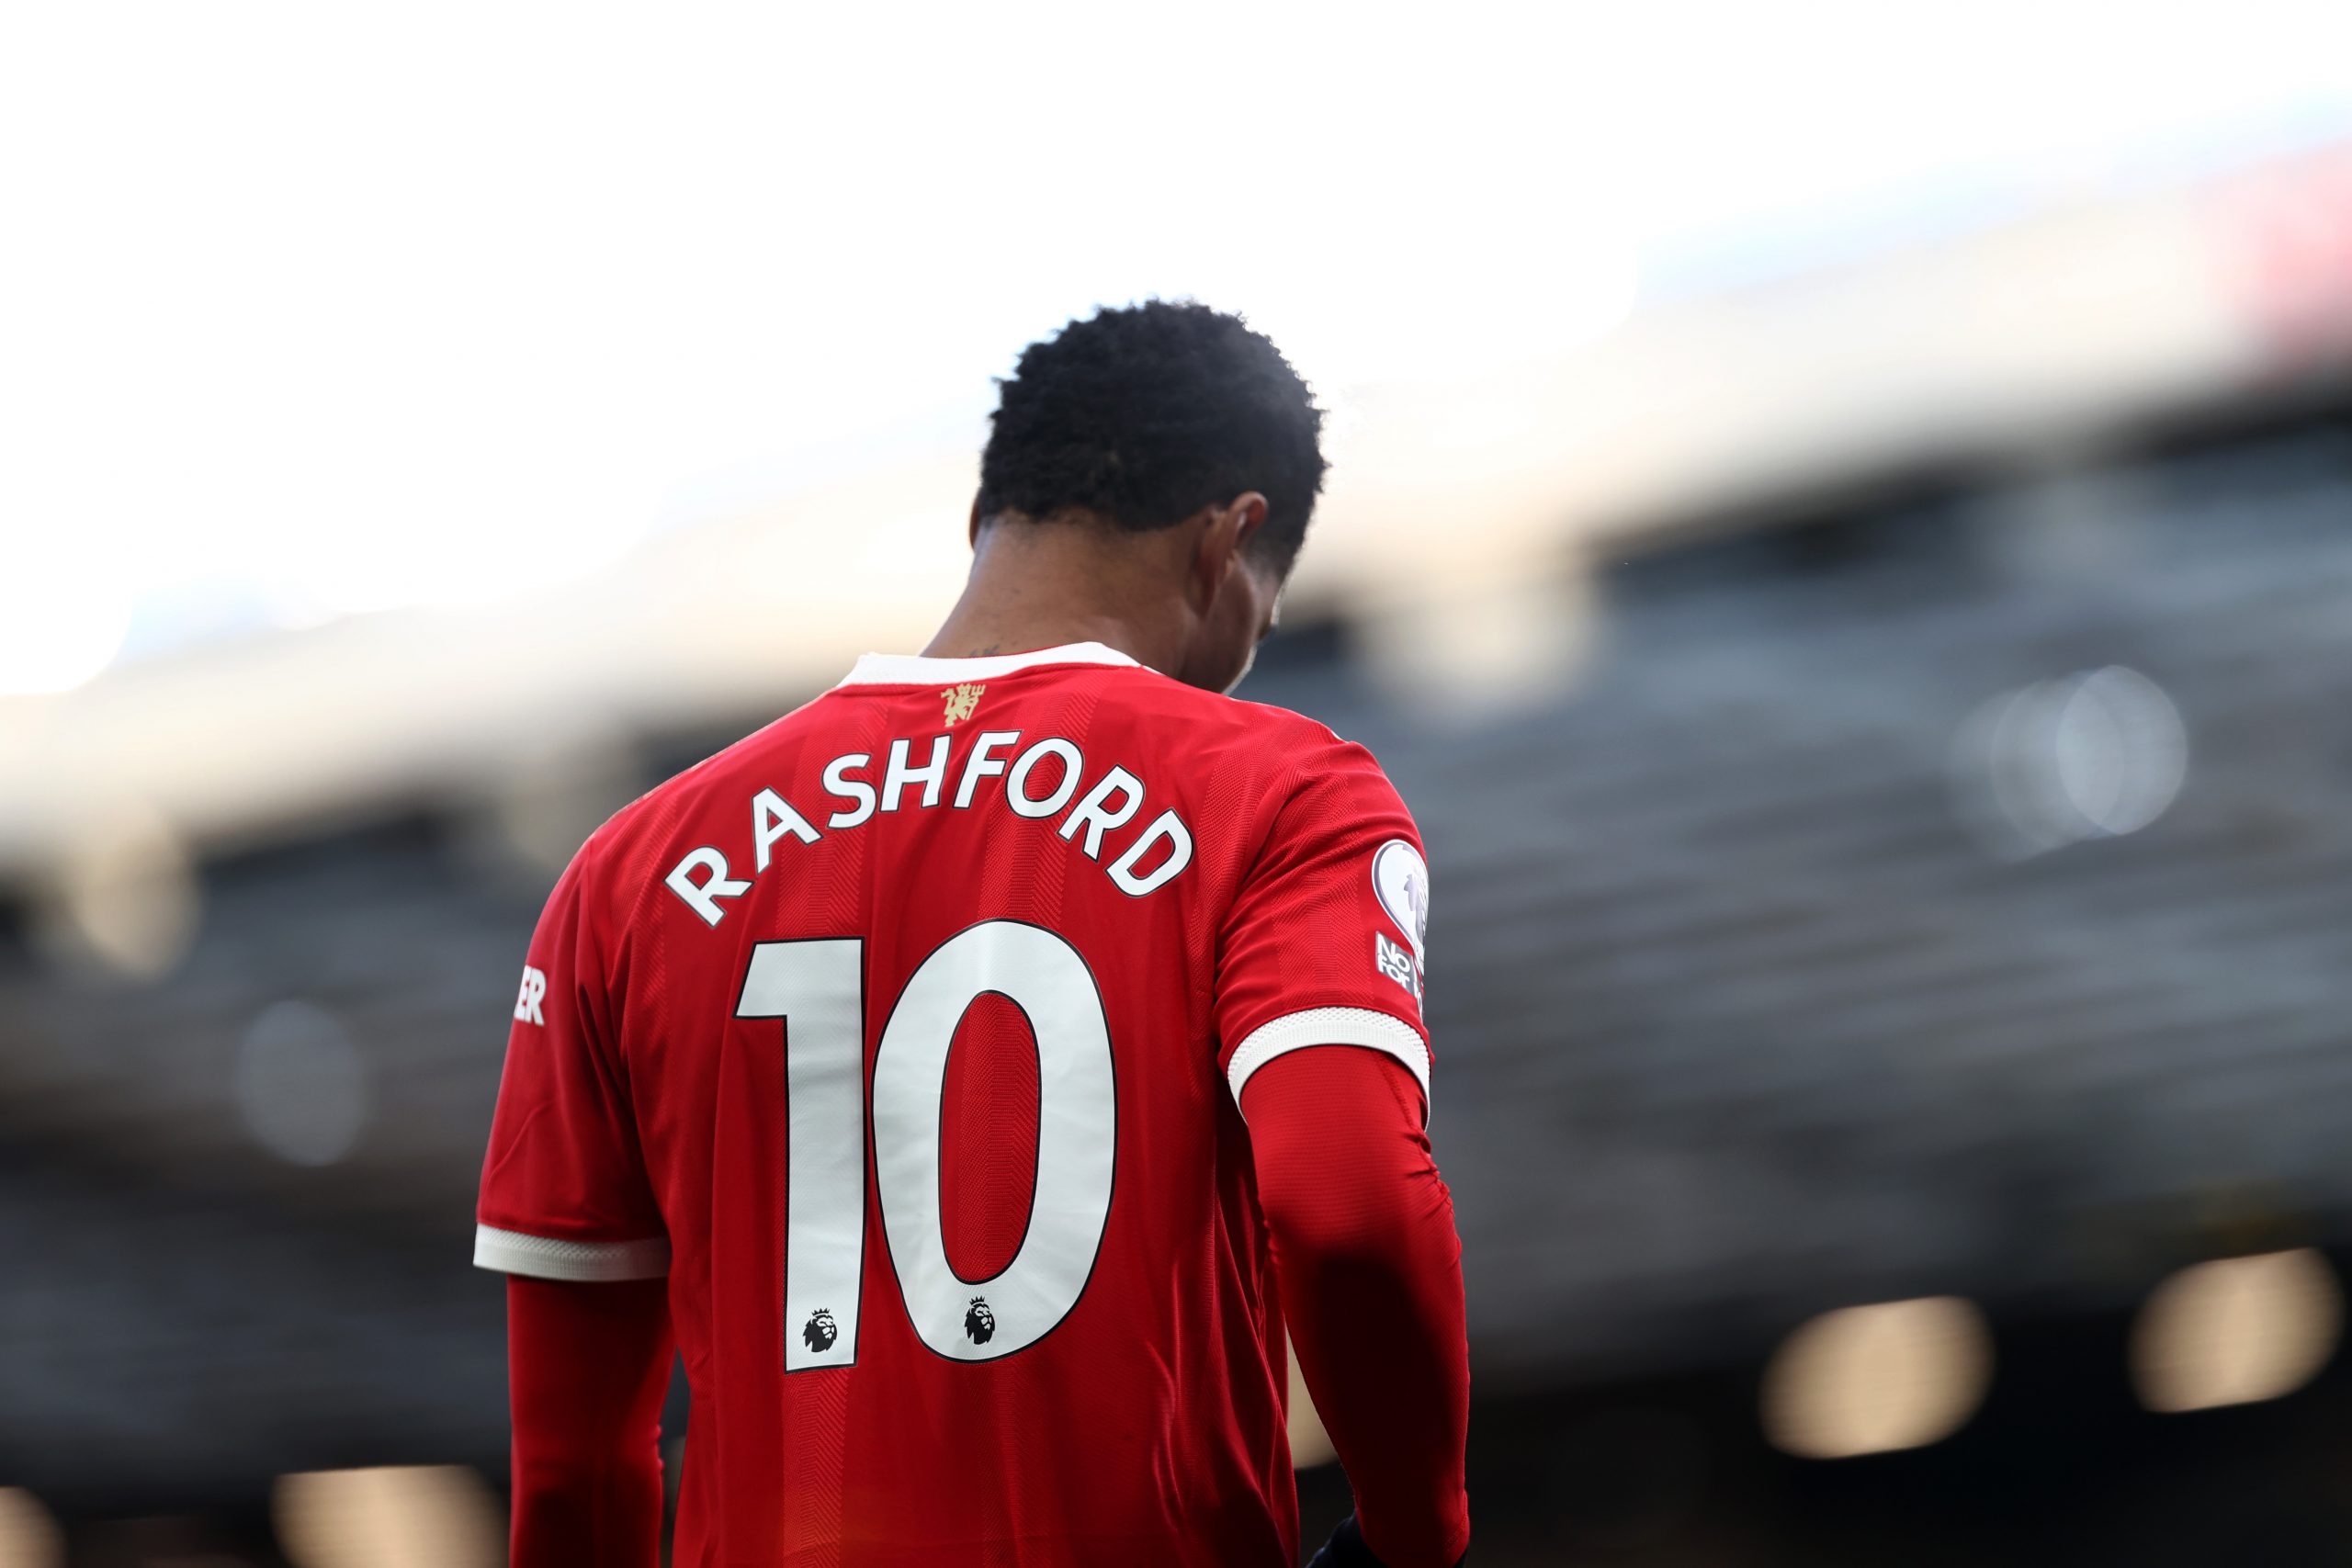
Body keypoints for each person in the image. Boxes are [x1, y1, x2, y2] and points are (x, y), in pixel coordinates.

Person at [474, 300, 1470, 1567]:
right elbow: (1349, 1206)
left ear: (981, 522)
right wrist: (1415, 1533)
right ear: (1228, 545)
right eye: (1257, 631)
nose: (1241, 665)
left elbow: (574, 1471)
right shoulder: (1280, 794)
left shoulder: (627, 874)